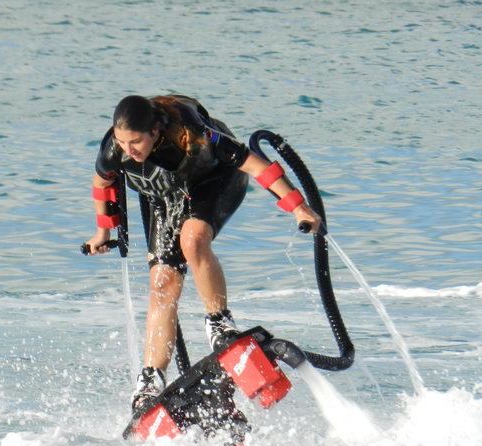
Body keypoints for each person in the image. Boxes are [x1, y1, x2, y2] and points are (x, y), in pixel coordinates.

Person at [85, 94, 321, 409]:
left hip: (215, 181)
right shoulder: (114, 148)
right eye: (123, 142)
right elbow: (103, 183)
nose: (129, 150)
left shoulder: (193, 134)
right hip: (168, 195)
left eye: (136, 142)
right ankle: (151, 380)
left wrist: (299, 208)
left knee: (193, 240)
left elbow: (255, 164)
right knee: (161, 283)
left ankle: (219, 323)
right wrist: (103, 232)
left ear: (156, 130)